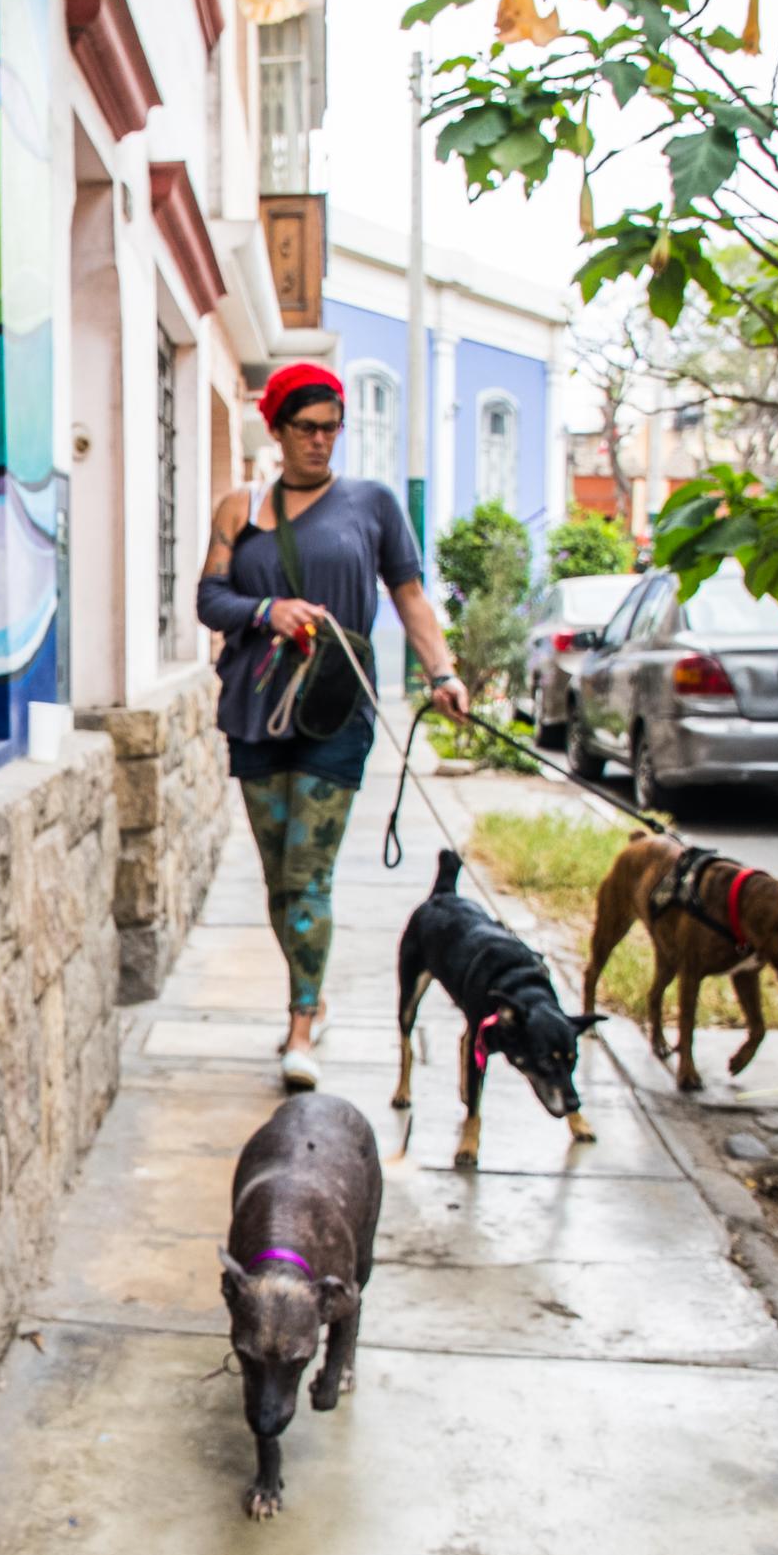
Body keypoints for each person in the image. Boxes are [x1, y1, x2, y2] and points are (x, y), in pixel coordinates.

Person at [197, 362, 470, 1090]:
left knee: (307, 872)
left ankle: (299, 1024)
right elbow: (209, 598)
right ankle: (312, 999)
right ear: (278, 431)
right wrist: (268, 611)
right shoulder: (240, 509)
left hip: (335, 707)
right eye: (307, 428)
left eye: (332, 428)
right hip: (256, 710)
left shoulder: (372, 504)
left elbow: (409, 597)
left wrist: (441, 673)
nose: (322, 441)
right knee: (278, 882)